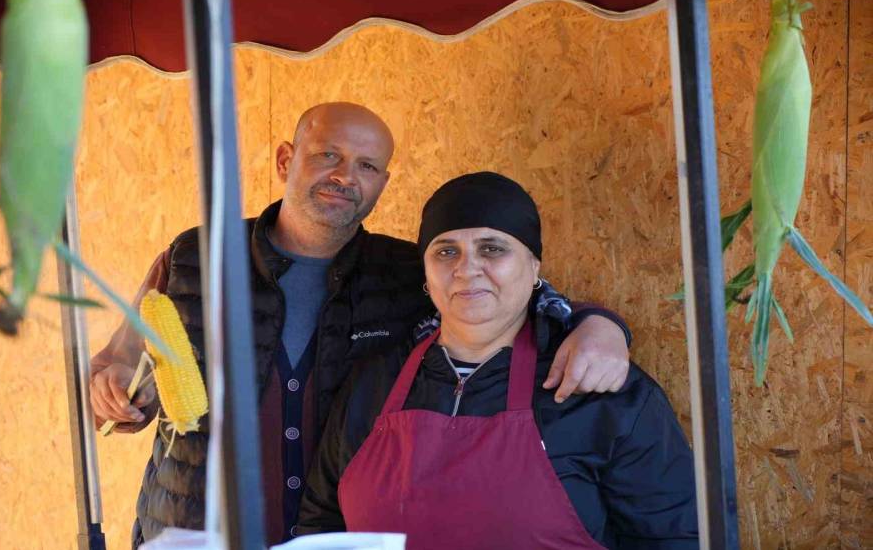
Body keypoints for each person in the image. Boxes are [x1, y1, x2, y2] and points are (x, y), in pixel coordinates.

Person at [88, 103, 634, 548]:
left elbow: (518, 299)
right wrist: (112, 390)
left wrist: (600, 326)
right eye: (328, 154)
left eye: (367, 167)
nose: (345, 176)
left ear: (382, 183)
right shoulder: (195, 258)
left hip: (336, 538)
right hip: (195, 533)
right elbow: (118, 363)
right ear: (285, 159)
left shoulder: (405, 274)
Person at [296, 172, 698, 549]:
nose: (467, 269)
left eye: (492, 248)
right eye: (446, 251)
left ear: (534, 266)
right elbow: (323, 523)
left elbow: (680, 538)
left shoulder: (599, 388)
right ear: (426, 274)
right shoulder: (373, 383)